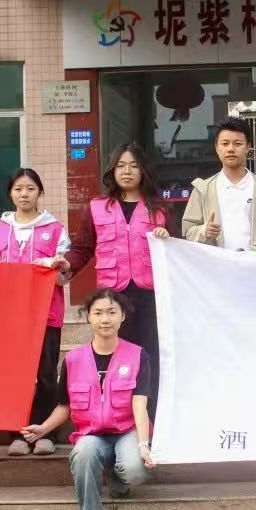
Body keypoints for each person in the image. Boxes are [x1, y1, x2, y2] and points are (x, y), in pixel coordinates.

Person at [22, 289, 156, 510]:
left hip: (127, 431)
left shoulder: (138, 355)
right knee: (83, 453)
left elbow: (140, 404)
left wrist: (142, 444)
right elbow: (65, 406)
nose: (105, 319)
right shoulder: (73, 359)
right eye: (98, 313)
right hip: (92, 435)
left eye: (112, 312)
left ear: (122, 316)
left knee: (134, 469)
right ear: (88, 317)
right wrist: (43, 429)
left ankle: (120, 474)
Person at [64, 143, 170, 390]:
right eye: (121, 166)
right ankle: (118, 407)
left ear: (143, 170)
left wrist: (168, 238)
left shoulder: (159, 208)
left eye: (133, 165)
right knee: (117, 354)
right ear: (112, 171)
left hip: (151, 296)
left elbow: (176, 251)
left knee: (151, 353)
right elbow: (82, 248)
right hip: (113, 297)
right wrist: (66, 264)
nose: (127, 171)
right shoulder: (97, 207)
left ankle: (151, 407)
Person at [0, 168, 72, 456]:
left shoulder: (55, 229)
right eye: (18, 189)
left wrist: (55, 268)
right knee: (15, 375)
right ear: (10, 193)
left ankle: (45, 433)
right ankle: (18, 434)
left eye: (30, 189)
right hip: (10, 315)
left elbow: (64, 276)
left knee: (46, 374)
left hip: (46, 313)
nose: (24, 194)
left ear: (40, 193)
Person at [182, 117, 256, 251]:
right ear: (217, 147)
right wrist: (203, 231)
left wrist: (251, 253)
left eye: (237, 143)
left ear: (248, 146)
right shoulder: (203, 189)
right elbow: (187, 231)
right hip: (216, 262)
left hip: (254, 261)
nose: (231, 149)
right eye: (225, 144)